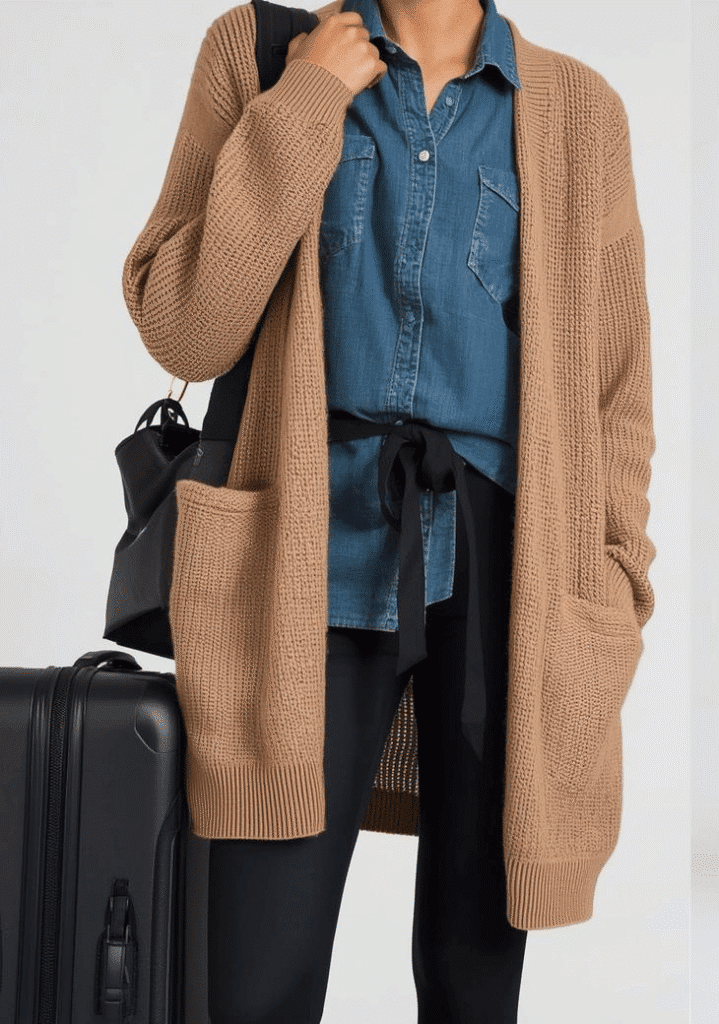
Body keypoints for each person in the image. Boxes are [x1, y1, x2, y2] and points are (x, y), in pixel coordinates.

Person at [121, 0, 656, 1021]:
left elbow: (615, 389)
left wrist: (612, 575)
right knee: (253, 971)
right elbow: (184, 327)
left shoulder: (579, 112)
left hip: (514, 571)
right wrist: (309, 97)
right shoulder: (263, 53)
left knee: (471, 974)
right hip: (298, 550)